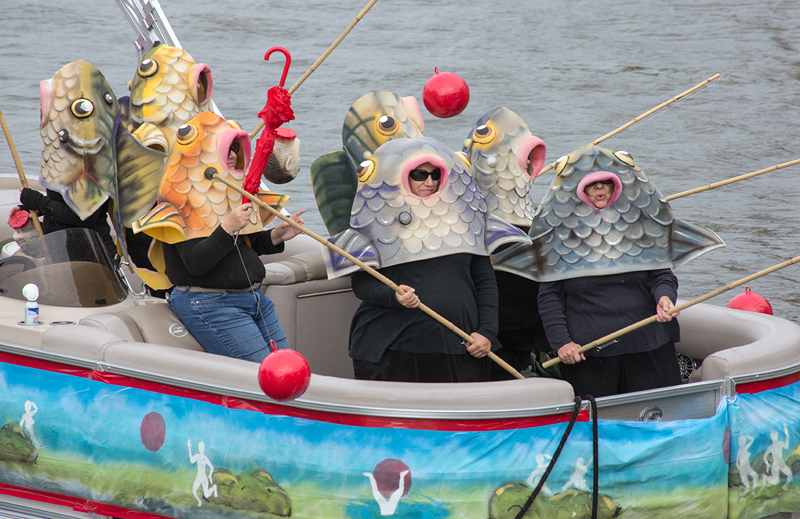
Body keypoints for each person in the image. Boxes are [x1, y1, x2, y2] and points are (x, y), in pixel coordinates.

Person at [348, 162, 499, 383]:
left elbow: (485, 280)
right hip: (394, 348)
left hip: (460, 346)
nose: (429, 182)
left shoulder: (466, 220)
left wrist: (487, 332)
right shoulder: (378, 220)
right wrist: (394, 296)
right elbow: (361, 283)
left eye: (435, 174)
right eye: (420, 175)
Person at [537, 179, 682, 397]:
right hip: (590, 355)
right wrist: (562, 343)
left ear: (615, 188)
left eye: (605, 182)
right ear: (579, 191)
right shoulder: (559, 235)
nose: (599, 188)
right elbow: (549, 296)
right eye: (592, 184)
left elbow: (662, 275)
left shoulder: (639, 226)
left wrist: (664, 297)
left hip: (650, 344)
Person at [163, 196, 305, 362]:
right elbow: (196, 263)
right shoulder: (178, 202)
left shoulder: (220, 196)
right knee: (265, 377)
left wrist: (275, 236)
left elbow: (242, 247)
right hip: (211, 304)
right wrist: (228, 227)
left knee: (289, 367)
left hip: (256, 299)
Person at [17, 187, 117, 260]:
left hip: (92, 257)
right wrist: (36, 208)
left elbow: (82, 216)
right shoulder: (61, 165)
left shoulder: (87, 166)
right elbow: (66, 200)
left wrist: (39, 201)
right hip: (60, 252)